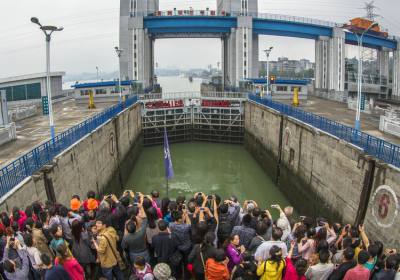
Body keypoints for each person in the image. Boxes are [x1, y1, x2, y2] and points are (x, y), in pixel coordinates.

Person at [122, 199, 149, 263]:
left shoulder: (126, 237)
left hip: (133, 253)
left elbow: (123, 246)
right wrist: (141, 207)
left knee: (136, 266)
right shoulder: (141, 232)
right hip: (144, 251)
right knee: (147, 264)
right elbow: (145, 219)